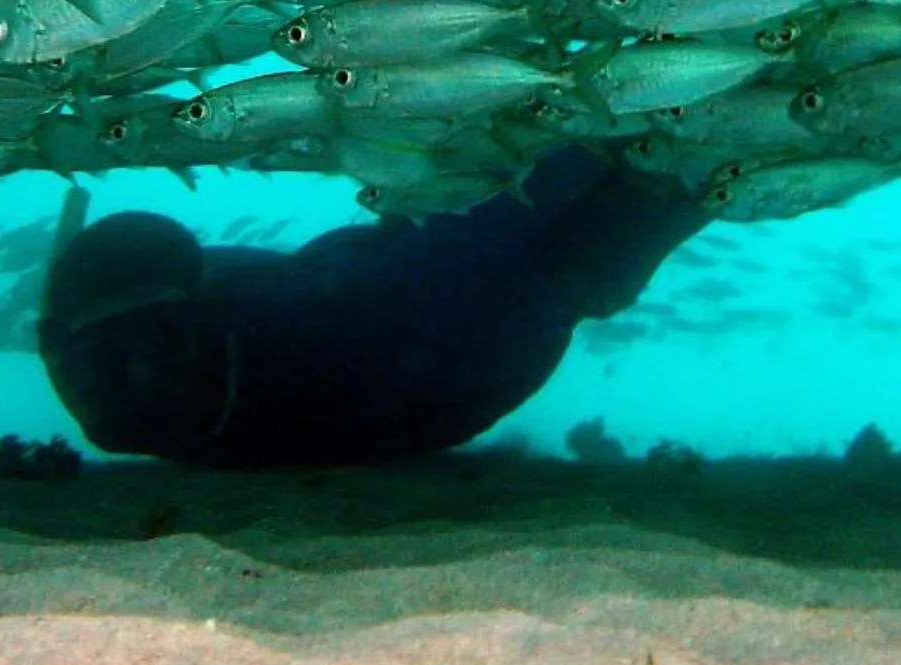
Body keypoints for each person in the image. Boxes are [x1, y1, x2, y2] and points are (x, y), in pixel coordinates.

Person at [37, 147, 707, 467]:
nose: (126, 383)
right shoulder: (348, 320)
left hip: (438, 342)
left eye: (156, 343)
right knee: (585, 254)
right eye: (87, 362)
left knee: (590, 240)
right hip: (460, 355)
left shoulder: (336, 319)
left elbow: (480, 227)